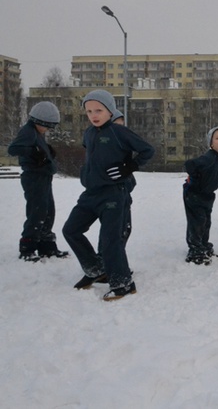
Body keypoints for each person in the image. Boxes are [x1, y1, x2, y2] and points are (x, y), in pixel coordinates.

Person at [64, 90, 154, 300]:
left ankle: (123, 283)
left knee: (110, 240)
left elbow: (147, 150)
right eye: (89, 111)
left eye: (99, 110)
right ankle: (97, 270)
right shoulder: (89, 133)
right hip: (90, 193)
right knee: (71, 230)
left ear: (109, 110)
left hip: (114, 193)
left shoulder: (118, 131)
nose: (94, 115)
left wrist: (129, 166)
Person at [7, 101, 69, 261]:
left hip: (43, 177)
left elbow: (37, 148)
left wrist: (46, 150)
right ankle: (27, 247)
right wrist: (35, 151)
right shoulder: (28, 131)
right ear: (40, 121)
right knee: (37, 212)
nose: (49, 129)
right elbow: (13, 149)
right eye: (48, 126)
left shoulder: (36, 133)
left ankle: (46, 246)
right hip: (33, 178)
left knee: (48, 212)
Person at [183, 126, 218, 265]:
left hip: (208, 195)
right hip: (194, 194)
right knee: (197, 222)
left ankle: (203, 246)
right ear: (211, 143)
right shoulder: (208, 158)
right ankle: (195, 250)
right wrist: (195, 178)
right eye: (217, 138)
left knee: (206, 222)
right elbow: (189, 165)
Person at [111, 109, 135, 245]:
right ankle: (108, 262)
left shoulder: (123, 143)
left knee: (124, 230)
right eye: (116, 126)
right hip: (113, 194)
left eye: (122, 125)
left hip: (124, 191)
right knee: (115, 231)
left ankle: (113, 261)